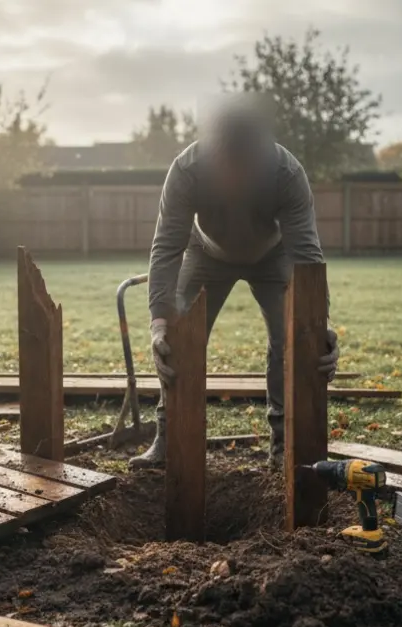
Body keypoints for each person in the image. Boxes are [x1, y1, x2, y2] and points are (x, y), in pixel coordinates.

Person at [129, 98, 339, 470]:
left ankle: (283, 445)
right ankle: (169, 436)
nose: (236, 177)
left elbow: (306, 257)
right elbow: (166, 247)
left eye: (245, 168)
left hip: (273, 258)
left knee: (288, 339)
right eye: (227, 168)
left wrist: (318, 325)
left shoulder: (287, 173)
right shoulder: (188, 170)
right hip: (205, 254)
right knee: (177, 337)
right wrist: (160, 323)